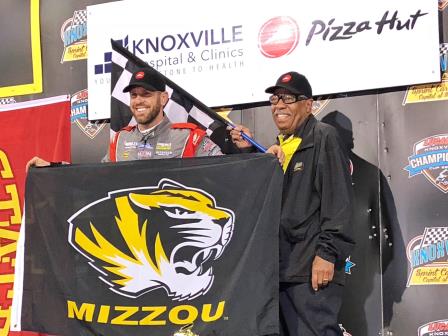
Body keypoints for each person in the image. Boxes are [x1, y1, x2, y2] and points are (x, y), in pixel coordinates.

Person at [231, 71, 354, 336]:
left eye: (288, 98)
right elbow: (272, 200)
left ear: (308, 105)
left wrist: (326, 254)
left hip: (310, 269)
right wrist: (250, 153)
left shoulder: (324, 137)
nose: (279, 105)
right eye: (275, 99)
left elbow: (338, 201)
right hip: (280, 269)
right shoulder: (280, 146)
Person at [27, 67, 284, 171]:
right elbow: (94, 177)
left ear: (163, 99)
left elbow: (229, 173)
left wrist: (260, 156)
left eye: (146, 94)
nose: (138, 101)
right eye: (134, 95)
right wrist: (52, 169)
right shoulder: (120, 141)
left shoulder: (189, 138)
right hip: (130, 239)